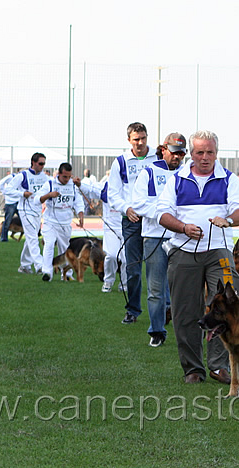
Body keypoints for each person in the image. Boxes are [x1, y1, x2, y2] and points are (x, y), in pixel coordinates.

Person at [158, 130, 239, 384]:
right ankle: (193, 369)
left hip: (218, 252)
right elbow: (162, 213)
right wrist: (183, 227)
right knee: (185, 312)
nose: (205, 157)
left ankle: (219, 365)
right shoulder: (176, 179)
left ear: (216, 153)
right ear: (191, 153)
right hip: (183, 250)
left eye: (210, 152)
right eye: (200, 152)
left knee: (229, 302)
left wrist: (228, 219)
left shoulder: (228, 179)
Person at [132, 132, 185, 348]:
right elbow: (138, 204)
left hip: (181, 237)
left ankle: (186, 331)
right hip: (154, 238)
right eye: (174, 152)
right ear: (163, 149)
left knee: (183, 288)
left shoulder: (187, 174)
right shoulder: (148, 173)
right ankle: (156, 331)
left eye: (181, 153)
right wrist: (165, 214)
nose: (177, 157)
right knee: (155, 288)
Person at [107, 122, 157, 324]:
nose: (141, 142)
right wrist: (126, 208)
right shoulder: (120, 162)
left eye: (143, 138)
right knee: (133, 268)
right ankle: (133, 310)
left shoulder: (158, 157)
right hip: (132, 220)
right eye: (136, 139)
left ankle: (167, 308)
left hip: (155, 220)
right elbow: (113, 193)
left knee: (159, 267)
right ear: (129, 140)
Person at [75, 178, 127, 294]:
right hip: (110, 227)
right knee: (111, 256)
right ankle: (108, 281)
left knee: (126, 259)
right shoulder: (106, 187)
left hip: (127, 227)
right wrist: (79, 184)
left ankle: (124, 283)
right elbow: (90, 189)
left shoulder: (131, 186)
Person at [35, 162, 84, 282]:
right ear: (59, 174)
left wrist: (81, 215)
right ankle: (47, 272)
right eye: (64, 177)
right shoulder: (50, 184)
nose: (67, 179)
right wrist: (49, 195)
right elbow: (37, 199)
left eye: (69, 177)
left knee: (65, 249)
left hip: (65, 222)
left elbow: (78, 202)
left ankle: (67, 274)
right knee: (49, 244)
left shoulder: (72, 186)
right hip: (50, 221)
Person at [4, 152, 49, 274]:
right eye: (40, 163)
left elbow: (53, 186)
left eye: (44, 164)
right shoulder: (22, 175)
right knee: (33, 237)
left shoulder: (44, 177)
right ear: (33, 162)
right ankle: (40, 265)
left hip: (37, 210)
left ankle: (24, 265)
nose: (42, 166)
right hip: (25, 210)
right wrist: (22, 194)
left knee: (31, 237)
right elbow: (7, 189)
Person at [0, 170, 21, 242]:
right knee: (7, 221)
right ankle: (4, 238)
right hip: (10, 202)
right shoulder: (11, 177)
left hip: (19, 201)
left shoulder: (23, 179)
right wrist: (5, 192)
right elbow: (1, 183)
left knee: (24, 220)